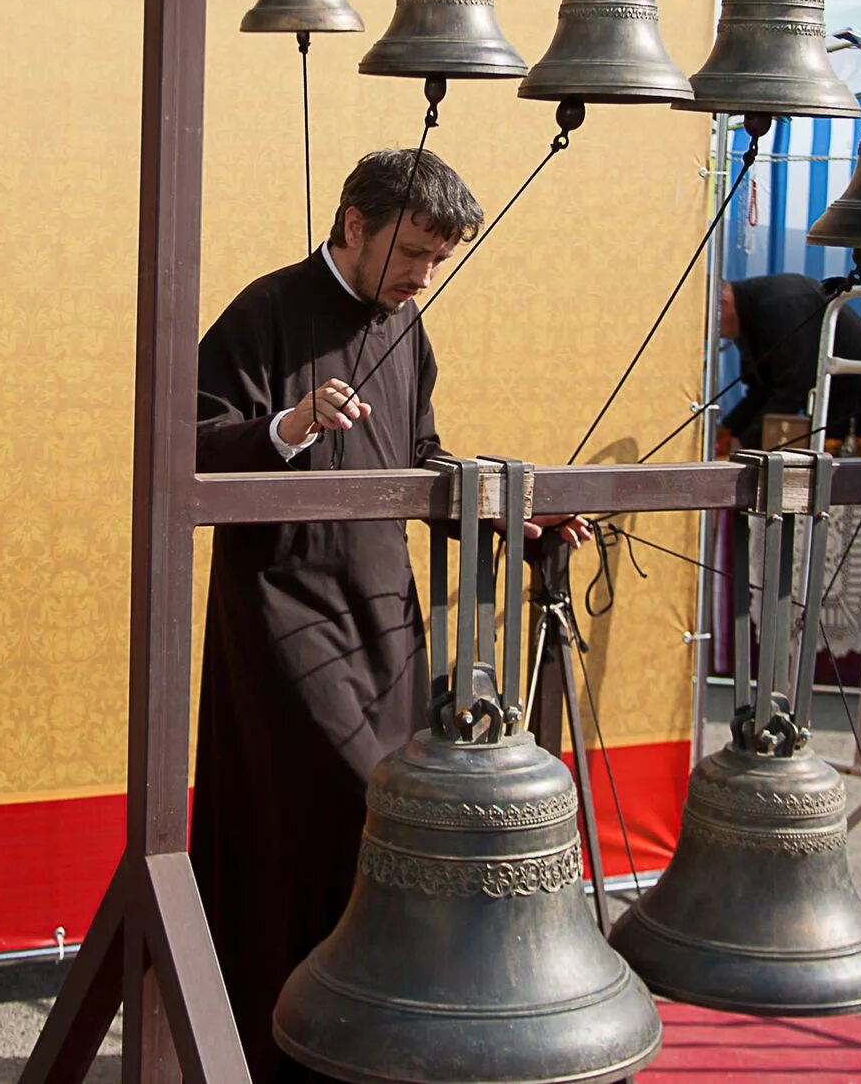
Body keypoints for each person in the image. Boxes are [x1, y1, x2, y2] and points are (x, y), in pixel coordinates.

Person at [190, 148, 585, 1081]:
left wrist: (518, 520)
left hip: (384, 615)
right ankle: (271, 1045)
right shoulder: (266, 310)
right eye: (411, 252)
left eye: (437, 260)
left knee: (393, 827)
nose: (421, 276)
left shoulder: (411, 331)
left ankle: (371, 1039)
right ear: (355, 225)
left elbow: (423, 457)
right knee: (309, 819)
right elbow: (193, 446)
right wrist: (290, 424)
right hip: (280, 610)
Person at [717, 273, 861, 453]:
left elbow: (794, 386)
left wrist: (744, 443)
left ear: (723, 304)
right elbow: (759, 390)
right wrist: (723, 433)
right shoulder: (749, 312)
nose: (715, 336)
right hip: (833, 393)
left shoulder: (781, 302)